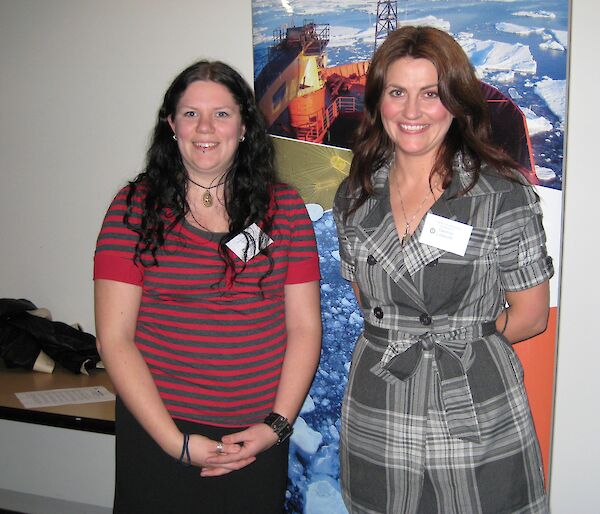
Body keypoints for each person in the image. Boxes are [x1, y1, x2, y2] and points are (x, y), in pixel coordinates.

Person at [333, 26, 553, 514]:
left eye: (430, 94)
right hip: (381, 396)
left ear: (454, 102)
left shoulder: (502, 195)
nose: (412, 112)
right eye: (397, 93)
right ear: (379, 103)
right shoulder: (353, 197)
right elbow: (370, 303)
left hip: (474, 398)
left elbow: (532, 315)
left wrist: (459, 340)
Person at [94, 60, 322, 514]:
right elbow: (114, 340)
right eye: (190, 113)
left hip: (256, 436)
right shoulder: (134, 210)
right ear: (170, 124)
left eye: (221, 113)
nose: (205, 127)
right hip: (159, 432)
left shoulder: (286, 209)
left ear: (243, 128)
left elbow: (303, 327)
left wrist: (275, 427)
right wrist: (176, 444)